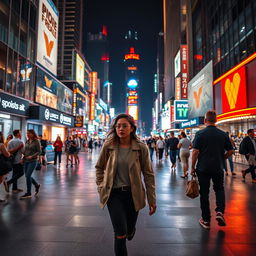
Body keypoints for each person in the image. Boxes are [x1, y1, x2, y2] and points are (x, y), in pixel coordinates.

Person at [95, 114, 156, 256]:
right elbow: (99, 167)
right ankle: (124, 233)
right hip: (113, 194)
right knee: (120, 234)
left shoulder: (141, 147)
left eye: (124, 126)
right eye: (118, 126)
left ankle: (130, 230)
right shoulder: (109, 145)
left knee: (128, 230)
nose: (120, 129)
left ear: (132, 128)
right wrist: (101, 186)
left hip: (133, 195)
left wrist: (152, 199)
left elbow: (148, 174)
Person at [191, 110, 234, 229]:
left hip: (203, 168)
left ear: (205, 120)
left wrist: (192, 167)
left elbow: (195, 152)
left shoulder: (200, 134)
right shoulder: (223, 134)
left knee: (204, 193)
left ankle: (206, 220)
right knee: (219, 189)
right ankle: (220, 211)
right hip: (218, 167)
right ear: (216, 120)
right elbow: (231, 151)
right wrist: (222, 158)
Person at [20, 129, 41, 199]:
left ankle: (28, 193)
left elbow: (39, 151)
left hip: (33, 161)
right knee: (27, 176)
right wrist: (23, 157)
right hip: (26, 161)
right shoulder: (27, 141)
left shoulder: (36, 141)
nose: (27, 134)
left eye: (29, 133)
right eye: (27, 133)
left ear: (33, 134)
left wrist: (32, 156)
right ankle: (36, 185)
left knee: (28, 175)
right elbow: (25, 151)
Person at [0, 132, 11, 202]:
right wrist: (9, 153)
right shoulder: (1, 145)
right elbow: (7, 155)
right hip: (0, 164)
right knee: (0, 179)